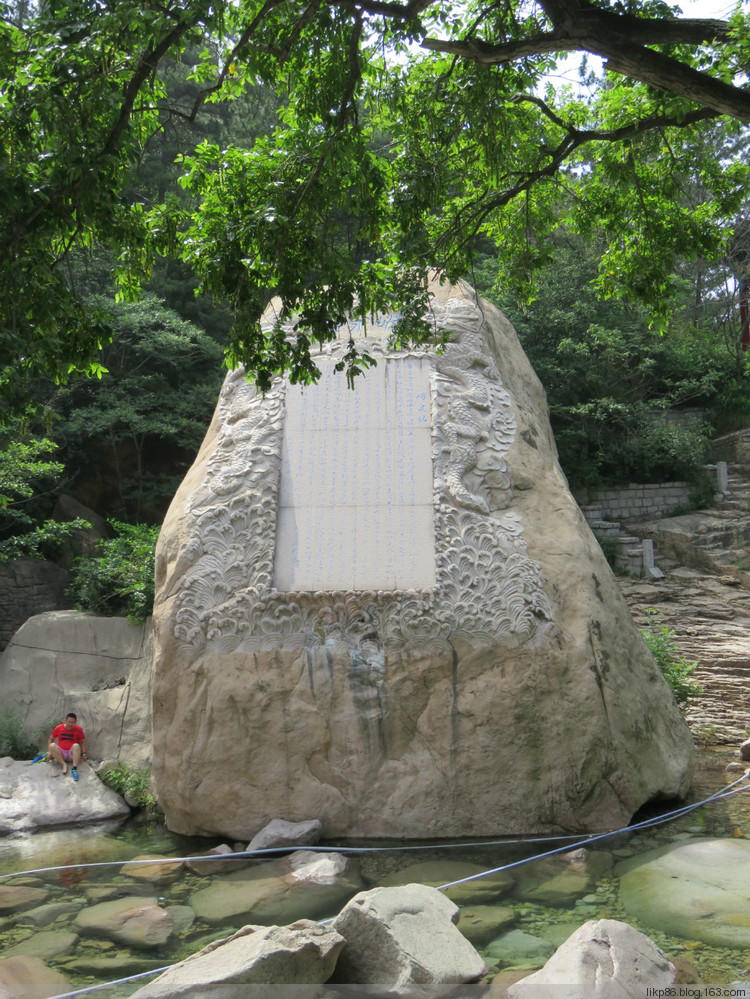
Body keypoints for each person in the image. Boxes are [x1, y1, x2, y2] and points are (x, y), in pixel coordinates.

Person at [48, 713, 88, 781]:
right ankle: (64, 764)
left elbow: (83, 742)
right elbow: (51, 739)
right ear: (65, 721)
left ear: (75, 722)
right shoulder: (58, 728)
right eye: (69, 722)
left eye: (73, 722)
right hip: (60, 754)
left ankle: (74, 769)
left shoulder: (78, 729)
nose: (70, 724)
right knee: (52, 746)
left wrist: (84, 753)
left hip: (71, 754)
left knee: (76, 746)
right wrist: (49, 752)